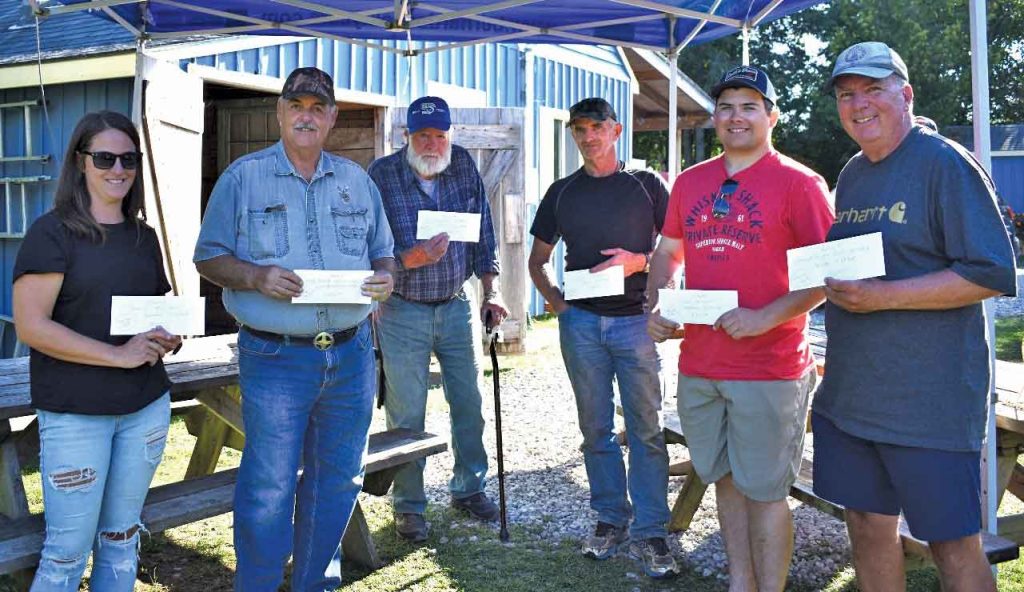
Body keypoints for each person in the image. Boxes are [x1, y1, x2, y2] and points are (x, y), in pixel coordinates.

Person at [813, 42, 1017, 592]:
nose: (858, 104)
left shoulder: (944, 163)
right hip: (852, 399)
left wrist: (883, 298)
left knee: (952, 544)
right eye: (846, 94)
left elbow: (992, 273)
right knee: (866, 527)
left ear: (905, 94)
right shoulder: (853, 172)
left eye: (872, 89)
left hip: (929, 405)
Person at [193, 66, 395, 591]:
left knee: (338, 480)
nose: (307, 116)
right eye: (297, 106)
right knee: (270, 486)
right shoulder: (243, 178)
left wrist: (386, 277)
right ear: (280, 112)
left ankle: (314, 583)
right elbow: (208, 257)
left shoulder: (356, 180)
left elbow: (384, 253)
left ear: (332, 117)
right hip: (276, 357)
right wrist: (255, 276)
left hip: (351, 356)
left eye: (317, 108)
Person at [646, 66, 834, 591]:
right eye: (726, 106)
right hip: (701, 364)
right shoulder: (691, 182)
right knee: (724, 480)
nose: (736, 116)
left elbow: (828, 277)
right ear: (715, 117)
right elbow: (667, 253)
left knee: (766, 492)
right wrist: (660, 303)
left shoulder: (800, 184)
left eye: (750, 106)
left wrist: (763, 318)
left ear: (772, 117)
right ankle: (740, 582)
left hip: (769, 368)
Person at [12, 110, 181, 591]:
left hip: (144, 409)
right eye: (105, 158)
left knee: (122, 540)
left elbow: (150, 316)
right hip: (76, 414)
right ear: (80, 161)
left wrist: (166, 337)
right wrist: (118, 355)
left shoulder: (143, 237)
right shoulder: (51, 233)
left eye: (129, 159)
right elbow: (32, 326)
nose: (118, 169)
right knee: (66, 555)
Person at [528, 97, 677, 579]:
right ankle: (611, 518)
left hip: (637, 321)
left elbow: (677, 249)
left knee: (646, 428)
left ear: (616, 130)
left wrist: (639, 262)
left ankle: (652, 530)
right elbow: (537, 260)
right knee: (595, 428)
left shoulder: (647, 184)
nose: (588, 136)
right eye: (579, 129)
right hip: (583, 326)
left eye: (597, 127)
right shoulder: (562, 193)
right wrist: (559, 304)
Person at [367, 96, 507, 542]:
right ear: (406, 135)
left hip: (455, 303)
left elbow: (484, 234)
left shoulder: (462, 165)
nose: (432, 143)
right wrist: (413, 257)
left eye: (440, 135)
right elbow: (369, 249)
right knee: (406, 412)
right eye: (423, 135)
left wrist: (492, 290)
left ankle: (469, 487)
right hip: (401, 308)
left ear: (450, 136)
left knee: (469, 402)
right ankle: (409, 506)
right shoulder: (382, 175)